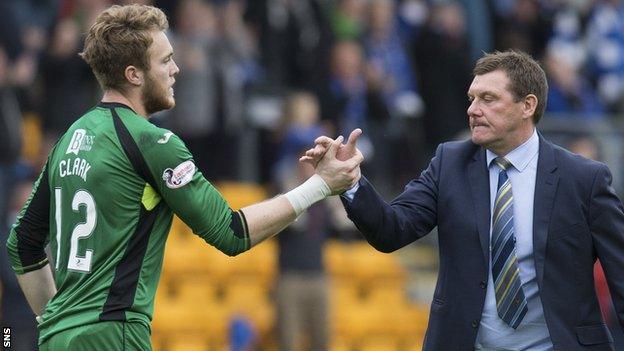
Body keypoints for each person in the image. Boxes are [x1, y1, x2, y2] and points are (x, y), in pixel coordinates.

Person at [5, 4, 362, 350]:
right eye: (165, 60)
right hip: (115, 335)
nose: (176, 69)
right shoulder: (152, 141)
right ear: (134, 74)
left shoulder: (69, 139)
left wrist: (56, 319)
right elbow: (232, 232)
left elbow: (21, 244)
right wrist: (319, 186)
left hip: (57, 339)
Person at [303, 50, 624, 350]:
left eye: (488, 99)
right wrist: (352, 182)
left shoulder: (584, 179)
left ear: (527, 105)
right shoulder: (449, 163)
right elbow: (392, 231)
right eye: (471, 98)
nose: (473, 109)